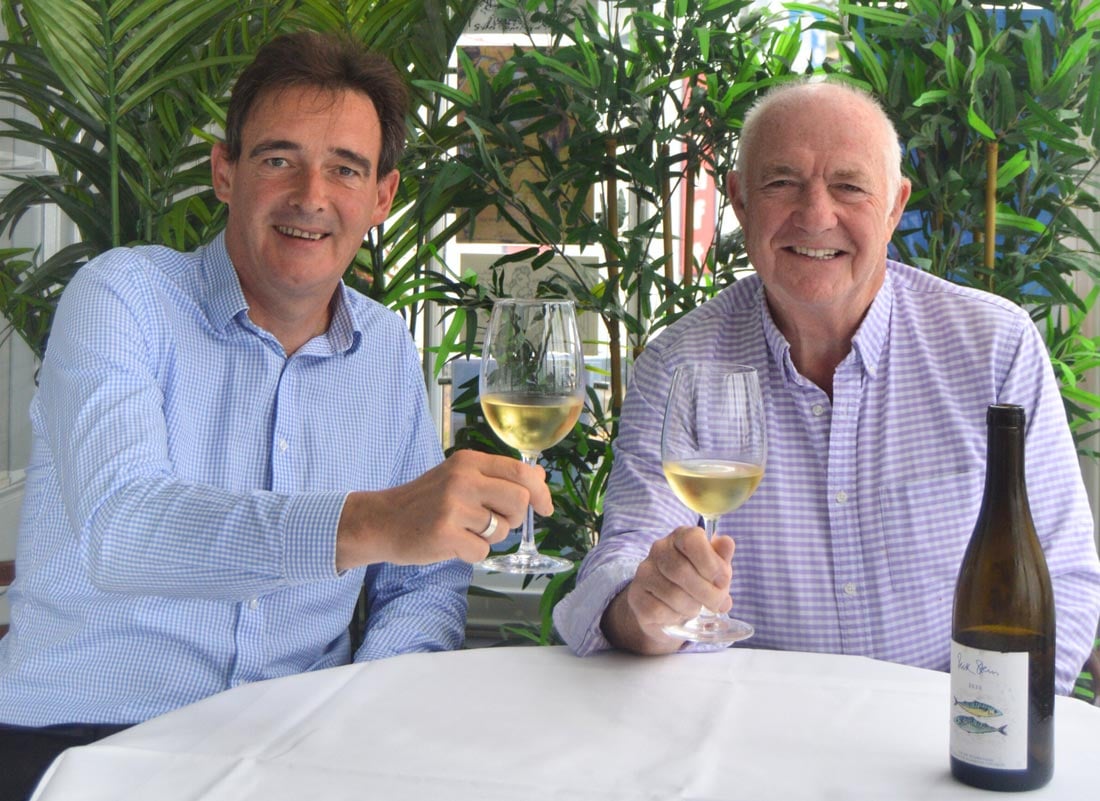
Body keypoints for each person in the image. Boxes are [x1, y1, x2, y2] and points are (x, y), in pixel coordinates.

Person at [0, 31, 550, 800]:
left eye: (345, 168)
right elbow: (122, 529)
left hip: (298, 753)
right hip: (84, 742)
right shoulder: (123, 297)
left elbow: (422, 589)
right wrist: (368, 521)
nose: (310, 195)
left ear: (382, 197)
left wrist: (357, 714)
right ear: (225, 171)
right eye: (278, 159)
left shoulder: (387, 348)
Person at [553, 79, 1100, 694]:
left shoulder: (995, 347)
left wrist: (990, 727)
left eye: (849, 186)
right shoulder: (680, 362)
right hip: (748, 730)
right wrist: (648, 607)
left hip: (942, 731)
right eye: (781, 183)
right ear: (740, 201)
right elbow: (623, 561)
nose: (816, 215)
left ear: (895, 207)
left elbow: (1064, 577)